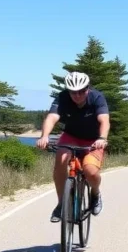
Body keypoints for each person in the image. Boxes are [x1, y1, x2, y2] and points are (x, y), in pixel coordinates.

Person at [35, 71, 111, 223]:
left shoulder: (96, 97)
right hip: (71, 137)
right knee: (61, 158)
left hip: (93, 140)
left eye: (81, 91)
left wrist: (102, 138)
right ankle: (61, 204)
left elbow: (104, 120)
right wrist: (44, 136)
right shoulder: (62, 98)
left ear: (87, 89)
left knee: (90, 171)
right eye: (73, 92)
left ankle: (95, 194)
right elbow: (52, 118)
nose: (77, 96)